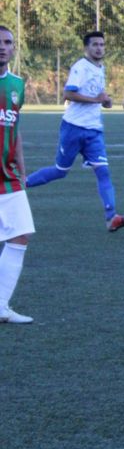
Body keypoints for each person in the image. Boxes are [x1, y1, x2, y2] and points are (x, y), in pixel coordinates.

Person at [24, 31, 124, 232]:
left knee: (103, 172)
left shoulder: (101, 68)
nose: (99, 48)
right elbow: (68, 94)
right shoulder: (80, 67)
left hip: (93, 131)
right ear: (87, 48)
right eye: (95, 45)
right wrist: (95, 100)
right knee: (60, 171)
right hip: (73, 128)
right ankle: (21, 184)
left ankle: (112, 218)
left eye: (102, 44)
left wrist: (106, 101)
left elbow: (98, 96)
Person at [0, 27, 36, 323]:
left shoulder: (16, 85)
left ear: (14, 48)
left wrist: (22, 172)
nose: (2, 47)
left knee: (20, 235)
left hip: (8, 177)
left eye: (7, 42)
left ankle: (0, 305)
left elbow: (15, 129)